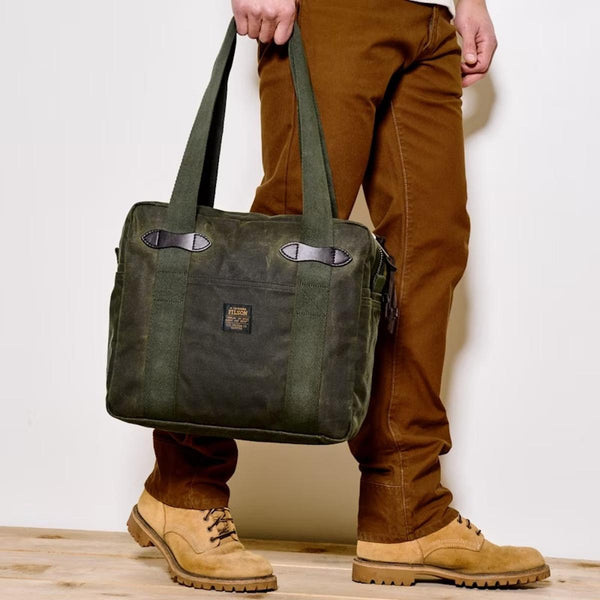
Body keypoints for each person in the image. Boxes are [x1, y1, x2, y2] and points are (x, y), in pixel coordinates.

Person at [125, 0, 551, 592]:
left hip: (430, 23)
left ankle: (406, 511)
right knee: (286, 243)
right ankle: (182, 487)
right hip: (331, 12)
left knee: (428, 255)